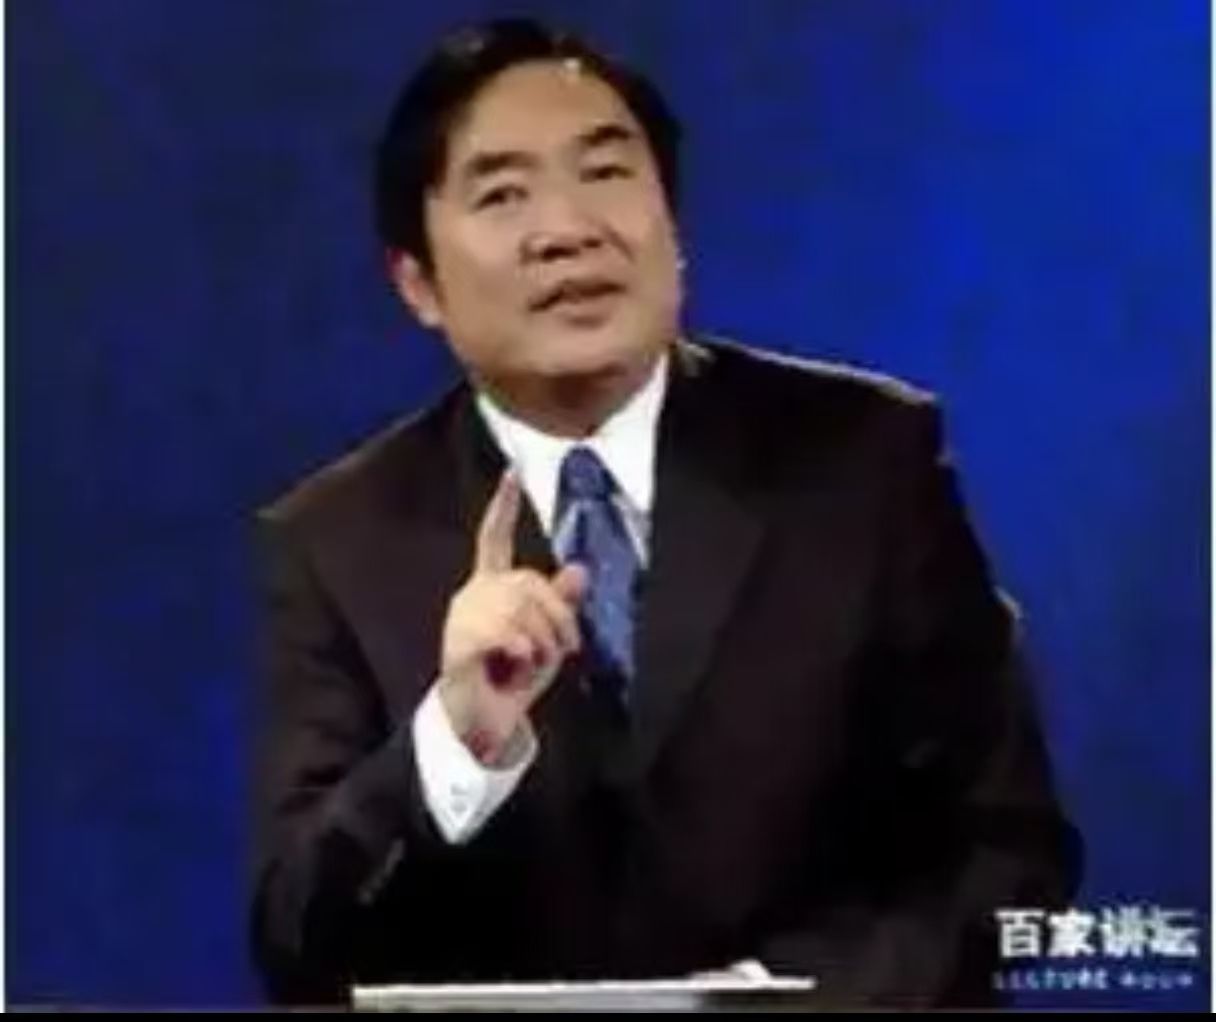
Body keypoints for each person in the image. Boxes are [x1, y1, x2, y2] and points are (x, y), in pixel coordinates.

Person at [250, 18, 1081, 1008]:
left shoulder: (865, 462)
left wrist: (768, 1001)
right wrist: (450, 741)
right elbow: (299, 937)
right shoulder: (338, 540)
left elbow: (1004, 850)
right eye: (503, 193)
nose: (567, 228)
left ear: (672, 224)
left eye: (605, 171)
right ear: (418, 282)